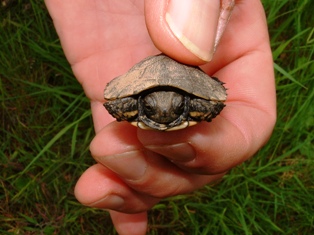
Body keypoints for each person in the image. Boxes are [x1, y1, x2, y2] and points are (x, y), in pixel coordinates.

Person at [45, 0, 276, 234]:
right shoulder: (136, 101)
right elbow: (116, 101)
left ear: (183, 104)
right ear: (144, 103)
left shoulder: (190, 102)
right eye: (153, 107)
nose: (164, 112)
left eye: (175, 107)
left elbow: (213, 101)